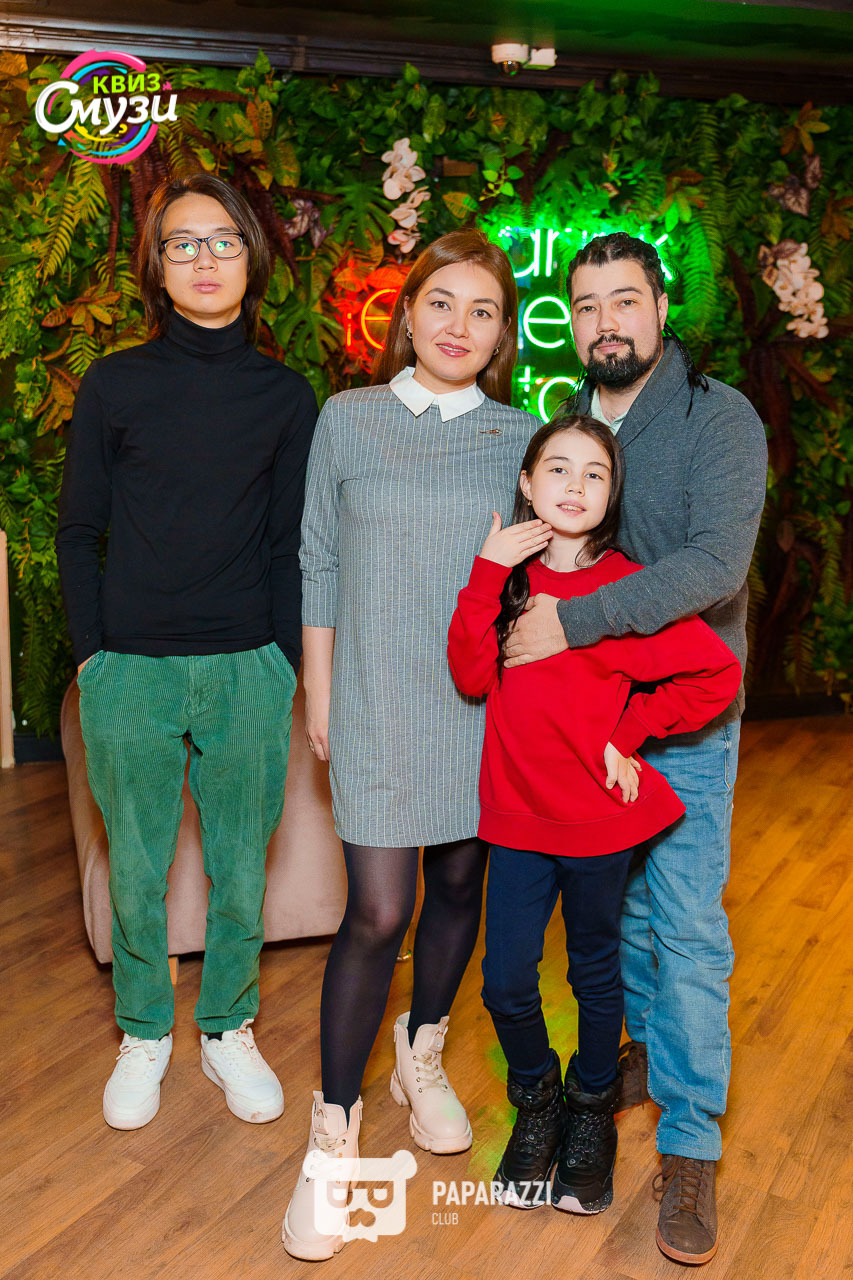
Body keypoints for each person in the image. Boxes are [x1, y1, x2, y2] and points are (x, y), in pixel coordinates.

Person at [502, 233, 767, 1263]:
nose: (604, 322)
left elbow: (713, 565)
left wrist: (573, 624)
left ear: (660, 307)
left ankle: (690, 1144)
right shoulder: (567, 425)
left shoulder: (718, 417)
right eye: (585, 306)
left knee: (687, 922)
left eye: (623, 300)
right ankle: (649, 1054)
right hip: (583, 727)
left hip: (684, 719)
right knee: (623, 915)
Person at [282, 229, 541, 1261]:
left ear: (503, 334)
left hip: (481, 705)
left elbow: (544, 575)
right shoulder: (347, 417)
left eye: (483, 311)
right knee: (379, 910)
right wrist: (320, 687)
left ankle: (420, 1051)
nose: (458, 326)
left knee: (461, 885)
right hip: (377, 699)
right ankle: (333, 1132)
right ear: (408, 312)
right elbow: (317, 556)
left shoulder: (520, 437)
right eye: (442, 302)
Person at [56, 173, 317, 1131]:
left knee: (242, 867)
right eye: (182, 244)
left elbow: (289, 544)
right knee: (136, 868)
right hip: (130, 668)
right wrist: (94, 655)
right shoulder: (115, 383)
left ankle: (227, 1027)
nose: (204, 259)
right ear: (157, 268)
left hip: (247, 667)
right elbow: (78, 529)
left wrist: (283, 662)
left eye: (223, 241)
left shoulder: (286, 396)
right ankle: (144, 1031)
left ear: (252, 256)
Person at [448, 414, 741, 1218]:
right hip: (515, 819)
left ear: (612, 496)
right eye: (557, 468)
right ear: (525, 482)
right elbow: (470, 674)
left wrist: (627, 732)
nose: (574, 486)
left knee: (593, 974)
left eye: (594, 474)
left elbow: (714, 675)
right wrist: (484, 571)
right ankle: (536, 1103)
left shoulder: (624, 588)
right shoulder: (505, 579)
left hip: (594, 826)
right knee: (506, 982)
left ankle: (588, 1113)